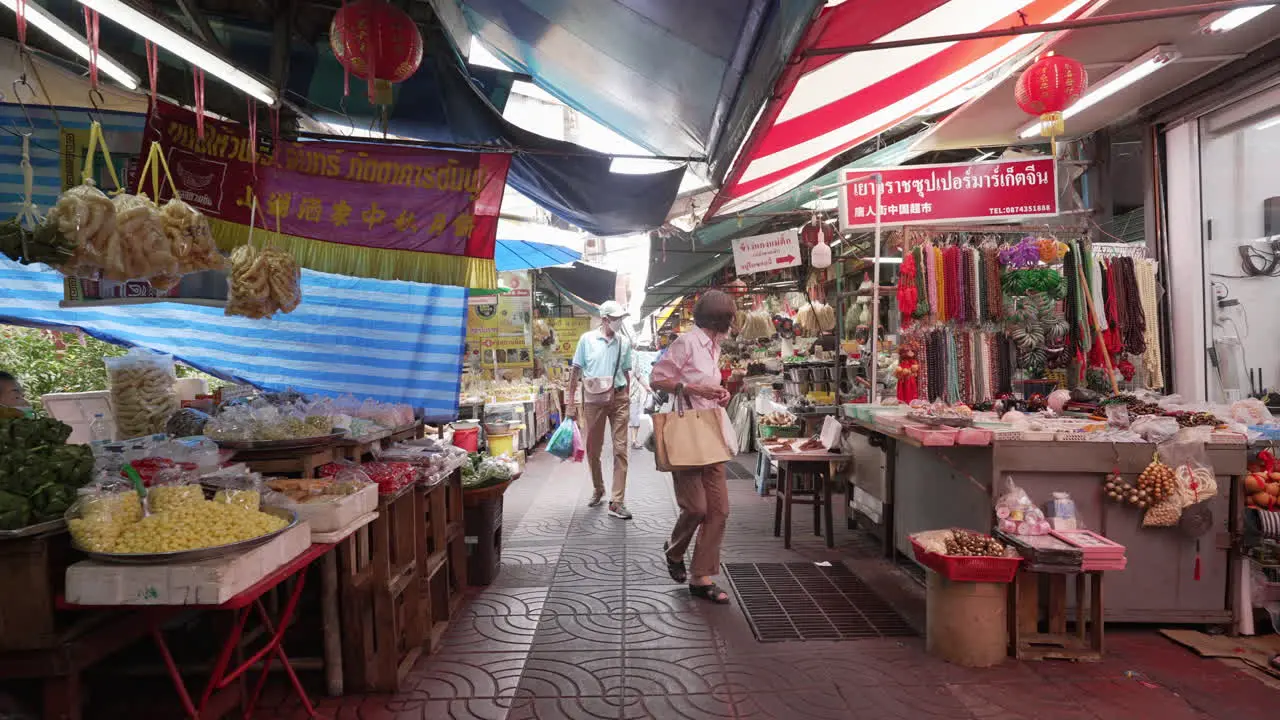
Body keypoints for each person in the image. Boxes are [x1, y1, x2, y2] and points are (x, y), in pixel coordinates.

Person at [649, 290, 735, 604]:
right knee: (696, 508)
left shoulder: (714, 345)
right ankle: (674, 551)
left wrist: (721, 392)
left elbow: (710, 385)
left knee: (719, 510)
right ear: (722, 318)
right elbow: (657, 378)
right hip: (686, 433)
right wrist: (692, 387)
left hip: (711, 430)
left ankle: (701, 577)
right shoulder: (687, 342)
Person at [566, 301, 635, 520]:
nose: (619, 322)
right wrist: (570, 402)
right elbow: (575, 372)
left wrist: (627, 396)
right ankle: (598, 487)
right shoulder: (587, 340)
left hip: (619, 397)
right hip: (594, 399)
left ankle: (617, 501)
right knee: (593, 448)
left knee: (621, 450)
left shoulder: (624, 342)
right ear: (605, 319)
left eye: (621, 318)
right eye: (616, 318)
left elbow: (627, 372)